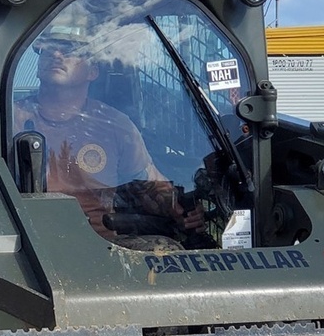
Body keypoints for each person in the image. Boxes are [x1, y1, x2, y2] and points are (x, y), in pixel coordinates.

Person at [13, 16, 206, 244]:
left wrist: (181, 210)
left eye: (71, 50)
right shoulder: (11, 118)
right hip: (29, 244)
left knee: (166, 251)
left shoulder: (114, 125)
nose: (56, 55)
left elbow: (149, 180)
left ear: (93, 71)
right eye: (48, 50)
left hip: (102, 248)